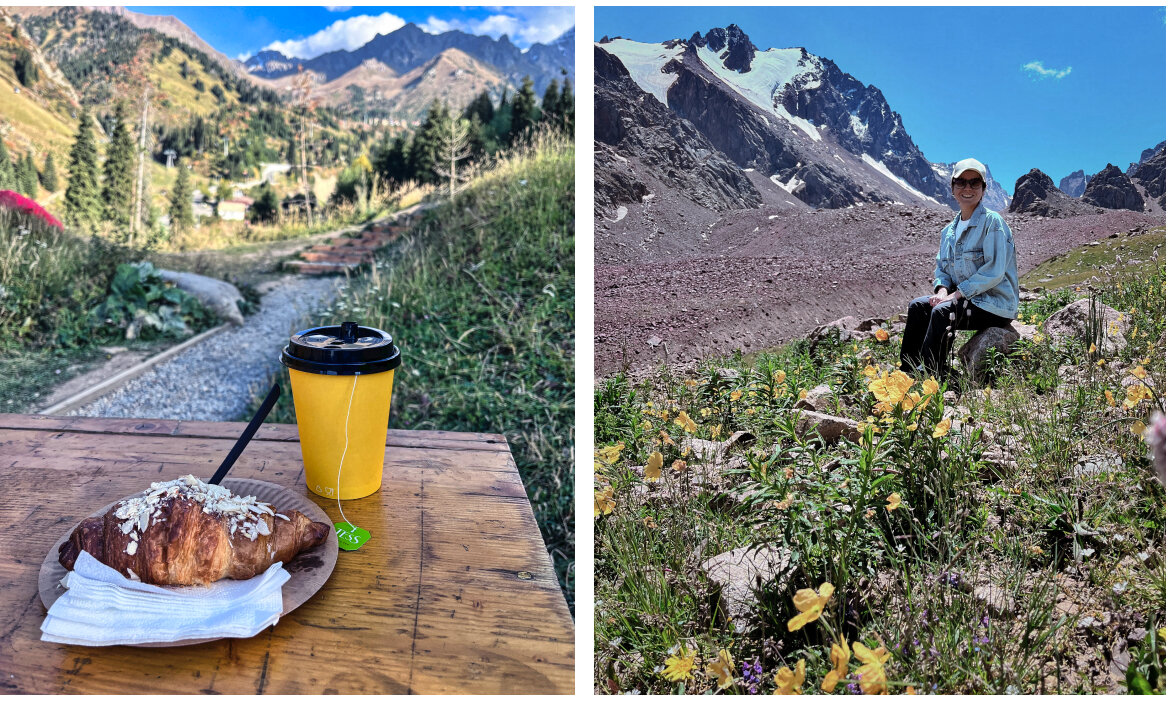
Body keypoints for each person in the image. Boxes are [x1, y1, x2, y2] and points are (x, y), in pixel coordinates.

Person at [899, 158, 1019, 380]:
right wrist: (942, 291)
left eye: (974, 182)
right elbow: (942, 268)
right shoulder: (949, 231)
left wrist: (955, 294)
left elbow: (994, 270)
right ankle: (906, 373)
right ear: (952, 187)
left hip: (994, 304)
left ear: (983, 189)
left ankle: (932, 375)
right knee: (918, 307)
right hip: (967, 300)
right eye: (961, 182)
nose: (967, 188)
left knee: (943, 311)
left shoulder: (993, 223)